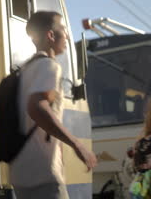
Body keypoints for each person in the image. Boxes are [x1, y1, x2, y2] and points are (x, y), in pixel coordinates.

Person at [10, 11, 97, 199]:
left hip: (20, 172)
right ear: (51, 35)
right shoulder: (49, 66)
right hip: (43, 173)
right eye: (63, 29)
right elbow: (36, 107)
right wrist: (76, 144)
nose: (66, 35)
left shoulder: (24, 70)